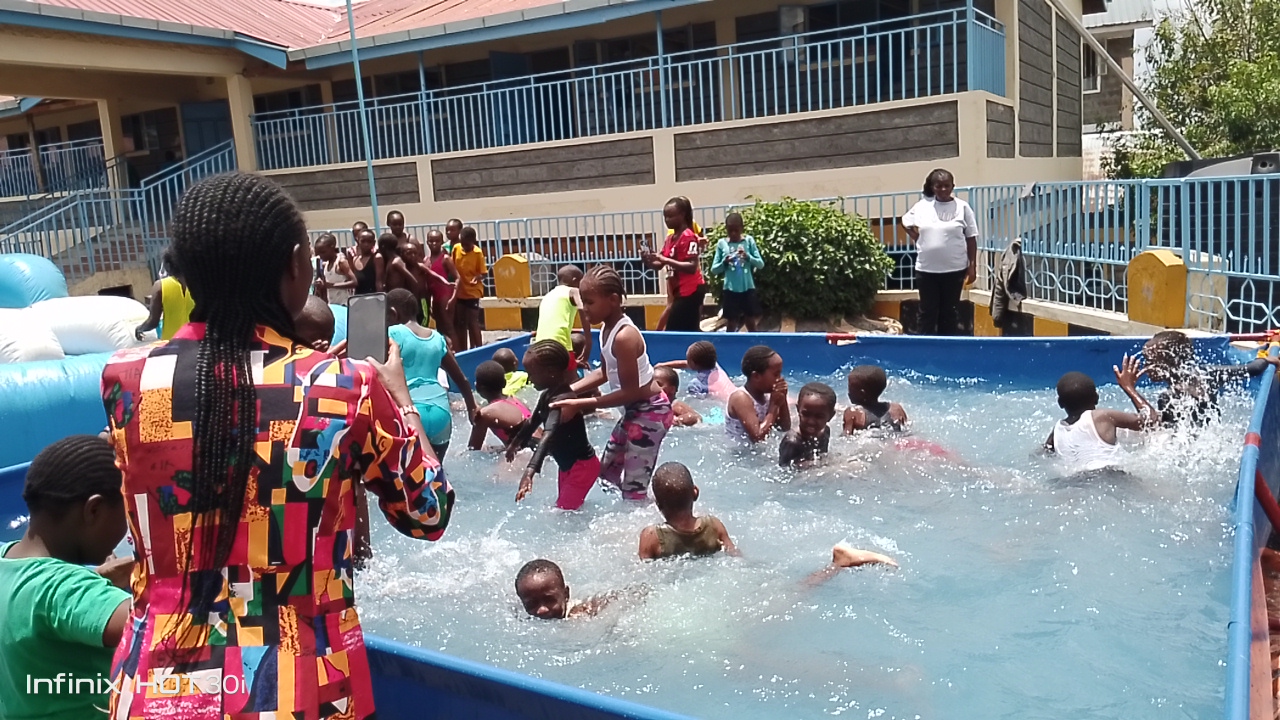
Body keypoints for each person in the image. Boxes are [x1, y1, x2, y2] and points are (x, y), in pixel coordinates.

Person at [100, 172, 454, 720]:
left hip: (156, 683)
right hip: (301, 682)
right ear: (296, 263)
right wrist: (399, 400)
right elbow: (426, 513)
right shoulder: (343, 386)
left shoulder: (126, 380)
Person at [0, 435, 133, 720]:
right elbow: (162, 626)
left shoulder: (7, 562)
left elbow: (35, 601)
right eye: (129, 512)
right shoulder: (66, 590)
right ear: (93, 510)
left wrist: (96, 578)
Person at [556, 265, 674, 501]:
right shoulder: (606, 329)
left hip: (651, 412)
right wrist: (567, 391)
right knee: (606, 474)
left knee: (634, 489)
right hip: (634, 411)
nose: (584, 308)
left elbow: (630, 392)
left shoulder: (624, 337)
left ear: (612, 300)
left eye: (589, 302)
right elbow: (604, 372)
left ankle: (643, 520)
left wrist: (578, 404)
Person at [506, 340, 601, 510]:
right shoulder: (548, 395)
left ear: (550, 372)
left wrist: (530, 471)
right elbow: (532, 422)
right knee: (566, 509)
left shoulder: (563, 399)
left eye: (532, 373)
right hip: (567, 466)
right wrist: (515, 444)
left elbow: (548, 435)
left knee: (563, 512)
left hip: (582, 467)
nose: (528, 377)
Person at [386, 288, 478, 459]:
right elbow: (462, 379)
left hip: (410, 412)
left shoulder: (393, 333)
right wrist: (472, 407)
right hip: (441, 413)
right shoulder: (437, 338)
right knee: (437, 476)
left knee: (408, 478)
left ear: (393, 314)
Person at [1141, 330, 1278, 427]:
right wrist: (1268, 358)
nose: (1145, 366)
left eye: (1149, 361)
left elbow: (1158, 432)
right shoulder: (1206, 373)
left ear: (1168, 363)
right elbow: (1252, 368)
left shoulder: (1167, 397)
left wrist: (1129, 388)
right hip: (1214, 435)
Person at [1043, 358, 1158, 472]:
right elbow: (1151, 421)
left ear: (1060, 403)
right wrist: (1128, 387)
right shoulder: (1102, 416)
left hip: (1075, 482)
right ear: (1096, 398)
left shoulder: (1057, 431)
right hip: (1110, 476)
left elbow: (1042, 453)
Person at [901, 168, 979, 335]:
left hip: (954, 270)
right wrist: (916, 236)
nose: (943, 189)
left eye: (947, 186)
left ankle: (947, 348)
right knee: (927, 311)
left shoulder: (963, 207)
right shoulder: (922, 206)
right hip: (927, 270)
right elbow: (905, 221)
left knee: (949, 312)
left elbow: (971, 238)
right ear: (932, 187)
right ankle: (925, 348)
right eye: (938, 186)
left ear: (953, 186)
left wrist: (972, 266)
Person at [638, 462, 737, 560]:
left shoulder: (651, 537)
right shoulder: (714, 526)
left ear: (657, 504)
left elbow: (642, 571)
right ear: (695, 493)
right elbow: (735, 555)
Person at [646, 196, 707, 332]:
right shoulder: (670, 239)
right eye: (665, 217)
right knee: (688, 331)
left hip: (691, 291)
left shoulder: (688, 236)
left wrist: (665, 260)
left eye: (671, 216)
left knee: (674, 329)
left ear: (682, 215)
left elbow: (691, 266)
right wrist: (649, 260)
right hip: (679, 293)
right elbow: (659, 264)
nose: (667, 220)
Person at [514, 559, 647, 620]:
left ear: (566, 595)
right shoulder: (526, 618)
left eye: (549, 600)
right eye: (531, 604)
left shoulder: (579, 614)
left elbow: (621, 597)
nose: (541, 609)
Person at [710, 212, 766, 332]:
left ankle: (754, 344)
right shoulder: (722, 244)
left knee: (750, 320)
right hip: (730, 289)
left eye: (736, 230)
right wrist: (724, 263)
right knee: (731, 321)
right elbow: (714, 269)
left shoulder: (748, 241)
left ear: (742, 228)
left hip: (747, 287)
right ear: (726, 230)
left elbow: (760, 264)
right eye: (730, 231)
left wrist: (748, 257)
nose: (733, 234)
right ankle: (730, 345)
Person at [726, 345, 790, 444]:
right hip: (738, 455)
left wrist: (782, 398)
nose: (780, 379)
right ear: (756, 376)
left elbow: (784, 428)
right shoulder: (740, 398)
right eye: (776, 374)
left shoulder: (768, 397)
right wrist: (774, 406)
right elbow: (758, 437)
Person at [468, 360, 535, 450]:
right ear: (504, 383)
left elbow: (473, 451)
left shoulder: (485, 414)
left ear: (477, 387)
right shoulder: (518, 401)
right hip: (542, 447)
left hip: (525, 454)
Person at [535, 264, 592, 367]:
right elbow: (582, 308)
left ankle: (570, 365)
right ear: (575, 281)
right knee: (574, 380)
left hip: (538, 347)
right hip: (561, 346)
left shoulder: (548, 295)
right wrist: (588, 342)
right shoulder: (573, 291)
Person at [134, 248, 195, 341]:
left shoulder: (160, 286)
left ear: (168, 266)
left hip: (171, 343)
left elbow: (153, 322)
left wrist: (139, 329)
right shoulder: (199, 284)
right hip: (196, 342)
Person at [656, 340, 736, 400]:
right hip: (736, 395)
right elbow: (685, 363)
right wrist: (663, 365)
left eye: (688, 359)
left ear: (693, 364)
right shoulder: (715, 365)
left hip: (724, 404)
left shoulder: (695, 385)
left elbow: (697, 402)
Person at [780, 382, 837, 468]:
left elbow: (822, 456)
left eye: (819, 416)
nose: (811, 421)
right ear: (798, 410)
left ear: (831, 416)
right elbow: (783, 470)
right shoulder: (792, 442)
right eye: (806, 414)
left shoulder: (825, 431)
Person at [843, 365, 909, 433]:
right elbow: (906, 429)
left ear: (861, 393)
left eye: (850, 388)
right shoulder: (896, 408)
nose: (848, 392)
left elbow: (846, 437)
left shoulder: (852, 413)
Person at [452, 226, 487, 351]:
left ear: (473, 241)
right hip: (460, 291)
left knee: (473, 322)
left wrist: (476, 278)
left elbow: (483, 273)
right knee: (461, 323)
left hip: (472, 291)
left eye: (467, 245)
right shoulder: (456, 249)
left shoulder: (477, 253)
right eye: (463, 244)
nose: (464, 247)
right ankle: (463, 349)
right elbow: (452, 266)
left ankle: (479, 348)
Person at [425, 230, 458, 345]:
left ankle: (458, 355)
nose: (434, 243)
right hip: (435, 298)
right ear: (427, 242)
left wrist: (453, 298)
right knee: (439, 329)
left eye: (437, 241)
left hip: (445, 296)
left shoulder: (445, 258)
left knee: (449, 327)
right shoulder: (426, 261)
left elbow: (458, 278)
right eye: (431, 241)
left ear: (442, 242)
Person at [314, 232, 357, 306]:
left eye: (323, 252)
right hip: (333, 304)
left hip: (344, 304)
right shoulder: (326, 264)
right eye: (318, 253)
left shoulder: (341, 262)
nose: (320, 256)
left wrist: (331, 285)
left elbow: (354, 282)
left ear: (332, 247)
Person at [351, 228, 379, 295]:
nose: (366, 244)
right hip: (359, 298)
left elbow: (379, 281)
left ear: (374, 243)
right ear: (358, 241)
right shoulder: (355, 259)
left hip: (373, 297)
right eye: (363, 241)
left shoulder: (376, 258)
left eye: (369, 242)